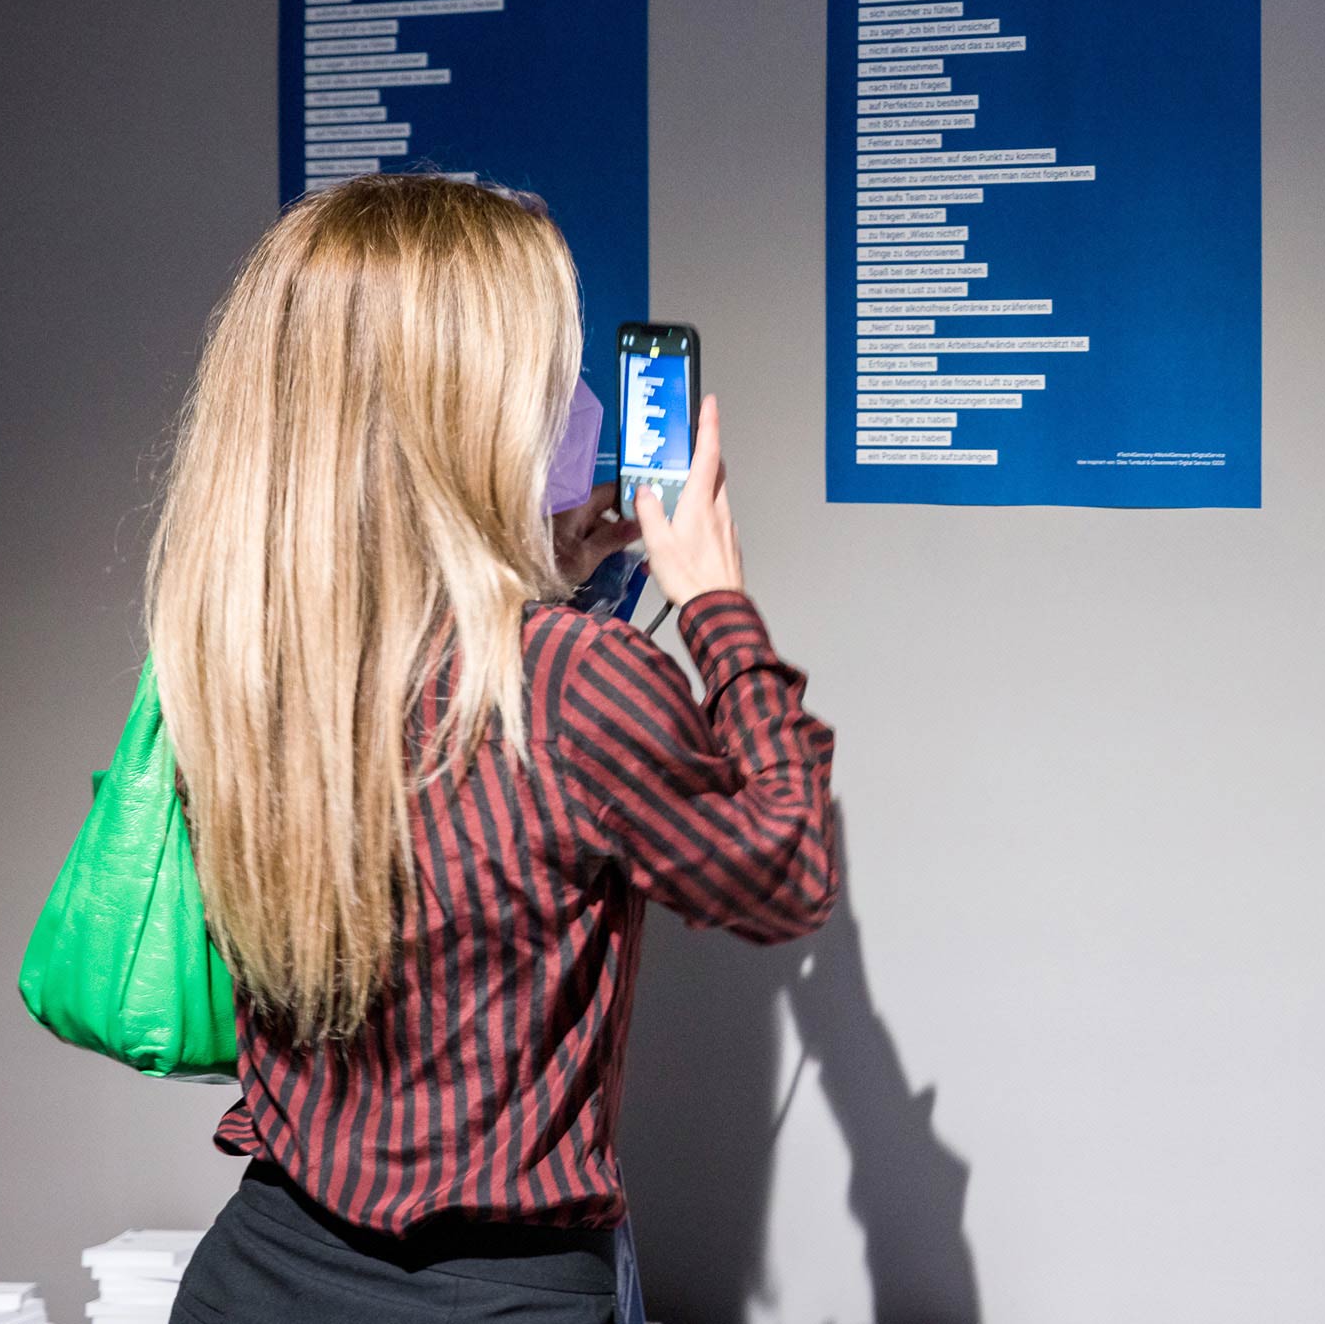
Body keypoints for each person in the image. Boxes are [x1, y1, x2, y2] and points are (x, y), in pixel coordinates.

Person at [149, 174, 840, 1322]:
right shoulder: (574, 680)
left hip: (254, 1275)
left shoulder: (232, 648)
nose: (572, 404)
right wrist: (713, 600)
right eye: (548, 370)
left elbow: (436, 738)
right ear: (470, 408)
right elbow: (786, 874)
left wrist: (542, 581)